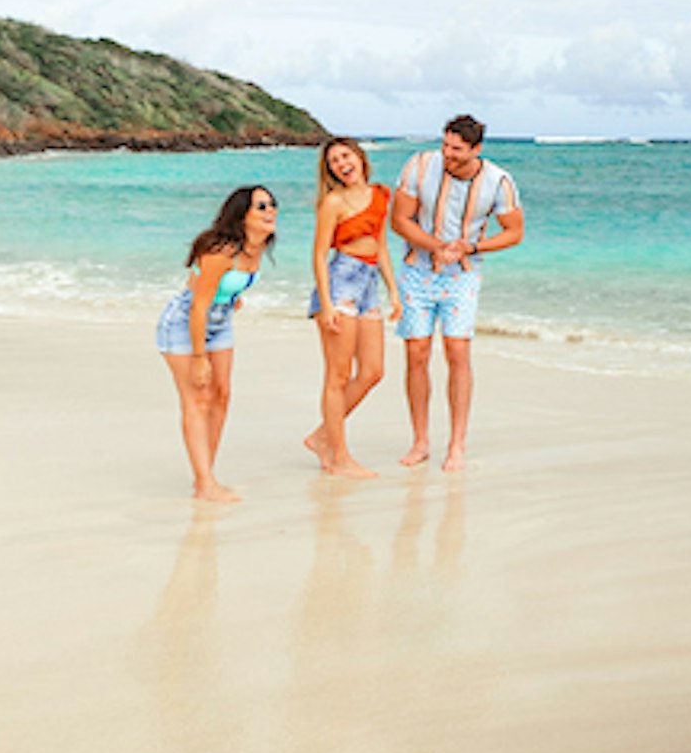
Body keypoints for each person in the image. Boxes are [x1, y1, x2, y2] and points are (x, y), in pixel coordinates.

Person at [391, 115, 523, 472]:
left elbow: (514, 232)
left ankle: (457, 445)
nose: (448, 155)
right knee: (417, 354)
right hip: (416, 271)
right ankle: (420, 441)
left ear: (476, 149)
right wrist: (436, 246)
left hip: (463, 276)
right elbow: (399, 220)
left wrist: (471, 247)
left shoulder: (498, 181)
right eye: (445, 146)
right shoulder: (419, 165)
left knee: (457, 352)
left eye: (457, 150)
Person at [156, 182, 277, 501]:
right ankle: (205, 483)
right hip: (185, 323)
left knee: (222, 396)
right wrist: (199, 358)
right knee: (198, 399)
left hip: (220, 321)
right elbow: (198, 304)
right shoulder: (221, 251)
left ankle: (205, 475)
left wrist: (232, 297)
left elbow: (224, 290)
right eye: (261, 206)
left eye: (272, 204)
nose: (270, 211)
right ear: (242, 215)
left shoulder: (258, 247)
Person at [301, 136, 402, 479]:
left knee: (373, 371)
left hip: (369, 284)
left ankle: (321, 436)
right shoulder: (332, 202)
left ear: (360, 157)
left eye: (346, 156)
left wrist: (394, 293)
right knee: (338, 375)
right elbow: (318, 254)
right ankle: (338, 457)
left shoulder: (380, 195)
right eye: (333, 162)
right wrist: (326, 304)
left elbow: (382, 247)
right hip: (340, 282)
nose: (341, 164)